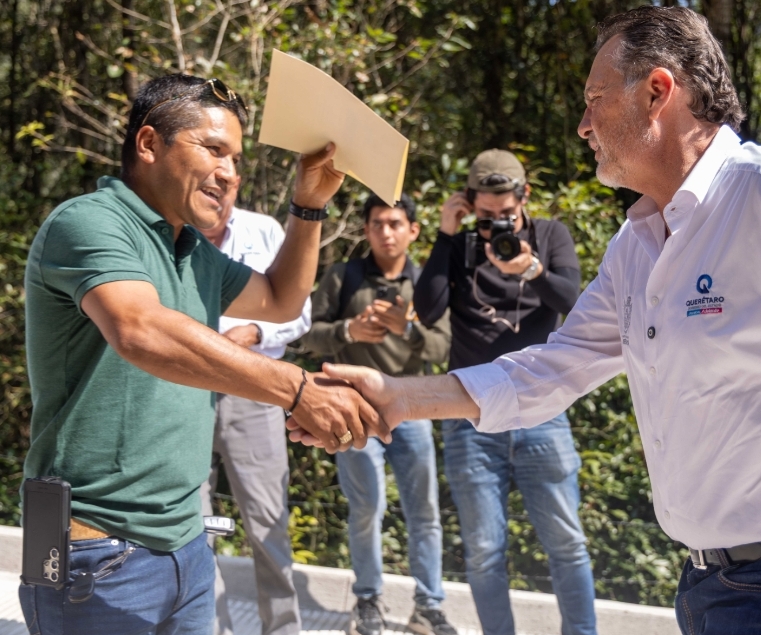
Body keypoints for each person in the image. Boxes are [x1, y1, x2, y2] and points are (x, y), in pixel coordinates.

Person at [300, 7, 761, 635]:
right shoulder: (636, 246)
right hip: (709, 584)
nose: (583, 125)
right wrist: (400, 397)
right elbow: (552, 368)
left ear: (658, 91)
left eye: (594, 100)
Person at [20, 73, 387, 635]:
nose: (230, 172)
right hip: (95, 553)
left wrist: (309, 205)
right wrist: (295, 389)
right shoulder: (88, 221)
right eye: (213, 149)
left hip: (188, 548)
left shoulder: (190, 250)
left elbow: (281, 299)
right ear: (149, 144)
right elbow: (140, 329)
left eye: (236, 159)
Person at [411, 150, 597, 635]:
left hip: (543, 412)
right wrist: (445, 234)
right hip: (470, 418)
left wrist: (531, 269)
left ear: (524, 197)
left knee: (567, 543)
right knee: (484, 551)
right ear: (469, 205)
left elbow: (575, 304)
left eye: (506, 215)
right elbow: (427, 311)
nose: (497, 226)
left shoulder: (550, 236)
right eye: (485, 216)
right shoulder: (459, 246)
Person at [299, 193, 456, 635]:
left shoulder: (428, 282)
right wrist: (349, 330)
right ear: (366, 229)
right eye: (377, 224)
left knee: (424, 511)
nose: (386, 232)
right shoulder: (343, 276)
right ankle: (367, 600)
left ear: (413, 230)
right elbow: (307, 335)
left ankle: (428, 606)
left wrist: (406, 330)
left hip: (414, 409)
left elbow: (443, 348)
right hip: (354, 410)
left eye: (395, 223)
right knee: (367, 507)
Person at [196, 179, 312, 635]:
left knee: (268, 522)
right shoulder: (172, 235)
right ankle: (209, 627)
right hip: (187, 391)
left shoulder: (264, 231)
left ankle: (282, 628)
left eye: (225, 182)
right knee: (196, 527)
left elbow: (301, 310)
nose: (216, 191)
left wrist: (255, 332)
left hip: (255, 391)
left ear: (237, 186)